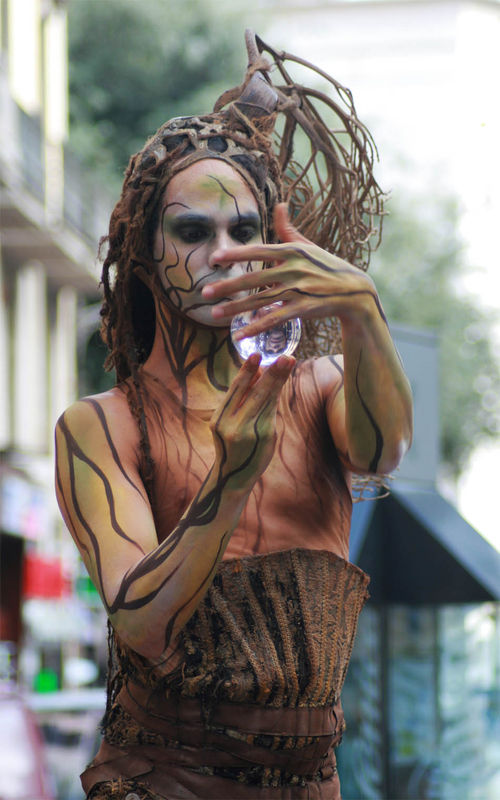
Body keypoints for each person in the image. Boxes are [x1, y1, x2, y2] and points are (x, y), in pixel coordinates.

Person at [55, 32, 412, 800]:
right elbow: (140, 626)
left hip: (309, 781)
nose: (223, 252)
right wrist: (230, 481)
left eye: (244, 230)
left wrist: (362, 311)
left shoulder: (317, 388)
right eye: (193, 231)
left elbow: (385, 451)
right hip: (165, 779)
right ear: (144, 251)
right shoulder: (104, 426)